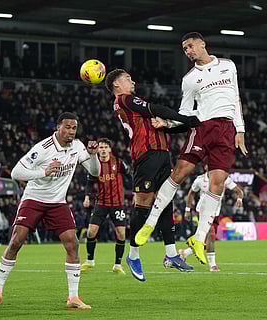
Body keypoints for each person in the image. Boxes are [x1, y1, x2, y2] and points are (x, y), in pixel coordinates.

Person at [135, 32, 248, 266]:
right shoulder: (189, 79)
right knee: (180, 172)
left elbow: (236, 98)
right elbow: (185, 112)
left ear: (202, 44)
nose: (188, 51)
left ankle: (198, 238)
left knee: (218, 181)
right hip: (203, 126)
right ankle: (151, 221)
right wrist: (167, 124)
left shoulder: (228, 65)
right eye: (185, 49)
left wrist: (240, 129)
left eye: (190, 46)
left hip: (227, 130)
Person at [0, 112, 100, 310]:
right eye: (68, 127)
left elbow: (95, 172)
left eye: (74, 128)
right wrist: (42, 172)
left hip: (57, 202)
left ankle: (73, 297)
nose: (71, 131)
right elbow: (16, 172)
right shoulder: (43, 148)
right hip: (34, 199)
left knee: (72, 243)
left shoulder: (78, 146)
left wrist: (93, 155)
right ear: (58, 127)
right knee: (17, 240)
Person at [105, 69, 200, 281]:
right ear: (117, 85)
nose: (133, 80)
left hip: (162, 154)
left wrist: (176, 124)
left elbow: (159, 123)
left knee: (165, 202)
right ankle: (133, 255)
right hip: (144, 156)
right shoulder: (124, 100)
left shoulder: (135, 105)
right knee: (143, 206)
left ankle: (171, 254)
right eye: (128, 78)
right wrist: (186, 118)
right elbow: (156, 108)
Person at [179, 166, 244, 271]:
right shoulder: (200, 180)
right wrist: (187, 209)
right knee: (211, 235)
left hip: (216, 212)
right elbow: (191, 193)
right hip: (203, 210)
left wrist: (240, 199)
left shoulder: (223, 178)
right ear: (205, 167)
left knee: (203, 239)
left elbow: (239, 191)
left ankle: (184, 253)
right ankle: (212, 265)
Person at [80, 138, 129, 275]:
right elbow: (90, 182)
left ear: (109, 149)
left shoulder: (118, 163)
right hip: (101, 203)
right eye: (100, 147)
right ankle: (90, 261)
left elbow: (130, 175)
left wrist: (136, 192)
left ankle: (117, 265)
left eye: (105, 147)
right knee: (91, 232)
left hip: (117, 204)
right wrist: (87, 196)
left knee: (121, 234)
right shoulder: (94, 165)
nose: (102, 149)